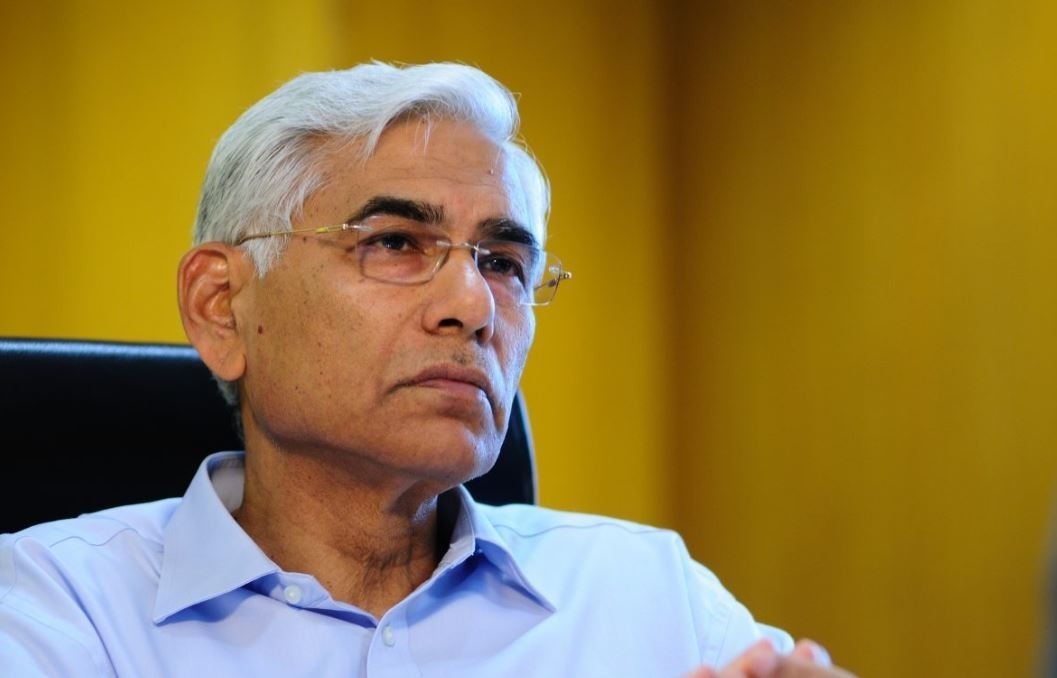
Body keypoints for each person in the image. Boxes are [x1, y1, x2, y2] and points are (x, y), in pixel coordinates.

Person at [0, 62, 853, 677]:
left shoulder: (648, 594)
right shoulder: (58, 607)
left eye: (503, 263)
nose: (472, 306)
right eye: (395, 244)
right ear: (222, 306)